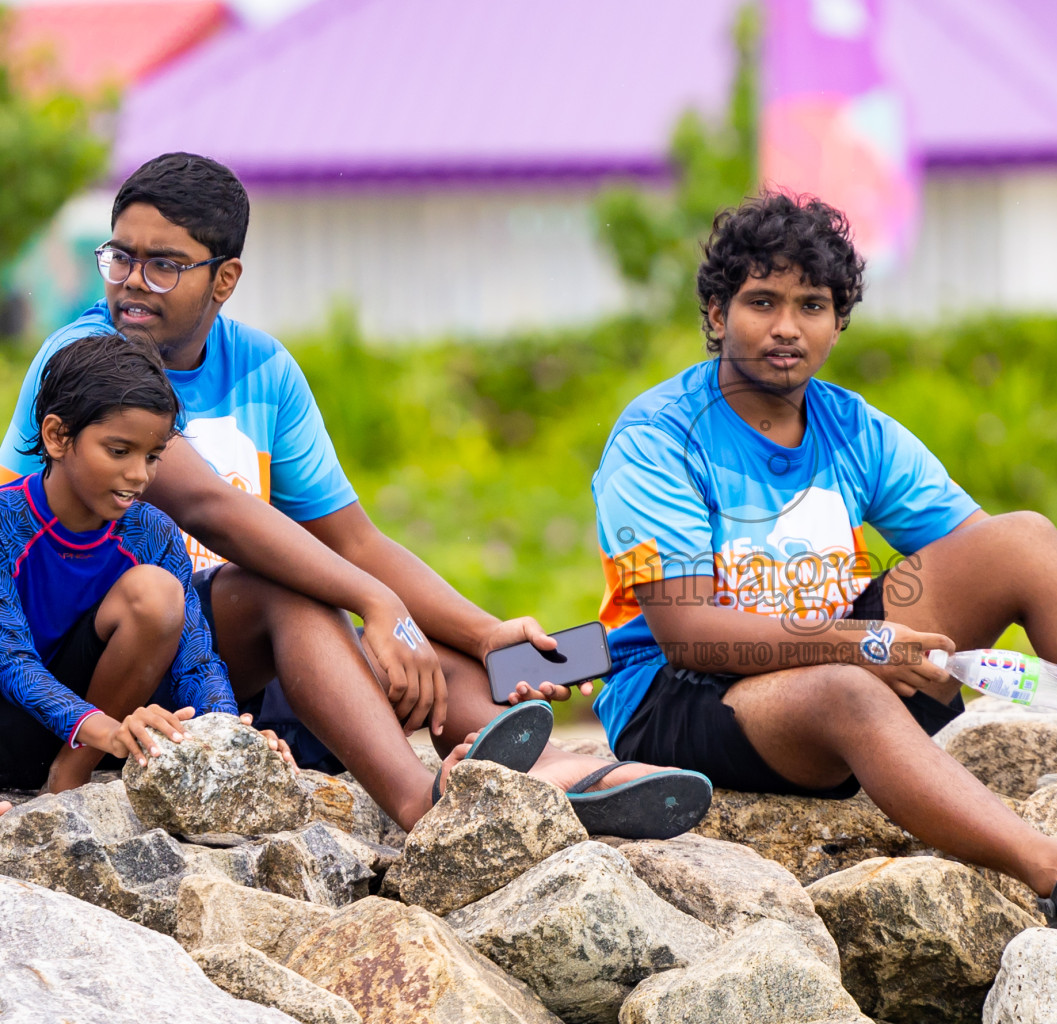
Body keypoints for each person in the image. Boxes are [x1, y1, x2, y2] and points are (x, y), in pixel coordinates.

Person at [590, 193, 1057, 932]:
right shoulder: (660, 435)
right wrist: (862, 647)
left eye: (812, 305)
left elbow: (999, 554)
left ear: (838, 321)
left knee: (1020, 536)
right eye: (762, 302)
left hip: (835, 655)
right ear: (719, 314)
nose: (787, 328)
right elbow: (690, 633)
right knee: (847, 692)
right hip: (681, 696)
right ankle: (1056, 872)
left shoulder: (849, 424)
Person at [0, 153, 711, 837]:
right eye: (120, 257)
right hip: (71, 652)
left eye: (163, 265)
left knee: (427, 649)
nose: (131, 282)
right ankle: (419, 800)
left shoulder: (263, 370)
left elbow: (355, 542)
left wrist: (479, 630)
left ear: (225, 280)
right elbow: (212, 508)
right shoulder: (86, 361)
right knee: (292, 590)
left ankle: (556, 772)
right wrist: (375, 601)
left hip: (198, 653)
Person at [0, 333, 294, 794]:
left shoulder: (151, 531)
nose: (139, 475)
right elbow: (10, 660)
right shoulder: (6, 519)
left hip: (82, 736)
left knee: (158, 594)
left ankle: (69, 777)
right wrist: (102, 727)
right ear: (58, 436)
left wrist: (234, 738)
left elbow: (195, 659)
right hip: (15, 719)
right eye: (119, 452)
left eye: (152, 456)